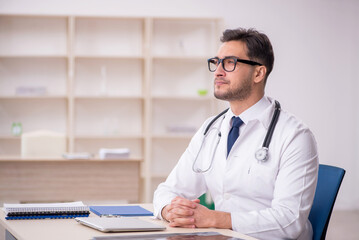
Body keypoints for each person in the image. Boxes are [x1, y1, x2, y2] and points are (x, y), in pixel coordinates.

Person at [153, 28, 319, 240]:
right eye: (216, 62)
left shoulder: (295, 136)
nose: (218, 71)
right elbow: (168, 190)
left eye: (230, 62)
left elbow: (290, 222)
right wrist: (170, 209)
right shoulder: (211, 128)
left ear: (258, 73)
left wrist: (217, 219)